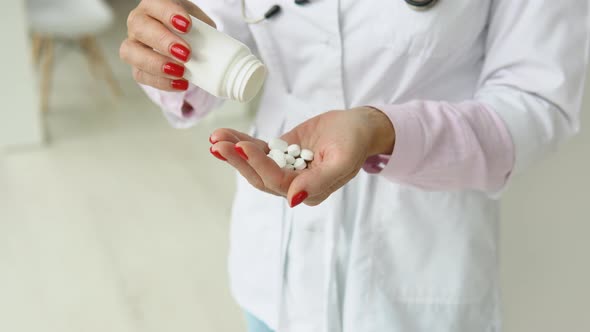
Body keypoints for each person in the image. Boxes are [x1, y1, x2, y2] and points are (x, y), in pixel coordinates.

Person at [119, 1, 589, 331]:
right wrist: (173, 48)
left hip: (416, 279)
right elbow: (220, 32)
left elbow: (536, 103)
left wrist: (385, 130)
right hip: (274, 277)